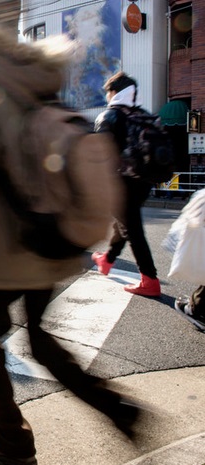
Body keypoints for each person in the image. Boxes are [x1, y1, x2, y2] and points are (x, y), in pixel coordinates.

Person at [0, 2, 142, 465]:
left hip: (3, 244)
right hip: (52, 233)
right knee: (38, 335)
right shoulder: (38, 72)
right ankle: (120, 409)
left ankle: (11, 443)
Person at [91, 72, 161, 297]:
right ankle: (108, 259)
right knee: (125, 221)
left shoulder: (109, 117)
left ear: (114, 92)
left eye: (108, 92)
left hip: (119, 183)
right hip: (145, 181)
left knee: (131, 227)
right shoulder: (143, 114)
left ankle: (149, 279)